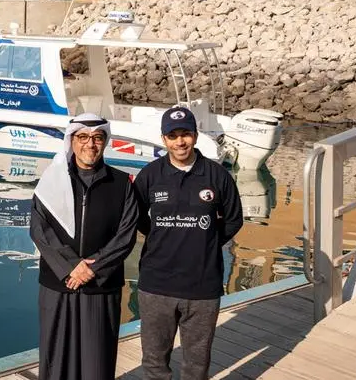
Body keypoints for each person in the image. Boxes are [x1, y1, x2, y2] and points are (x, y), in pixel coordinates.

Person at [134, 106, 244, 380]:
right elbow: (135, 216)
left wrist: (205, 240)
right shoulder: (150, 175)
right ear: (164, 140)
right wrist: (159, 236)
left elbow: (234, 219)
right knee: (154, 363)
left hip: (202, 287)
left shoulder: (217, 176)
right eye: (173, 136)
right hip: (156, 285)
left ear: (195, 136)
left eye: (185, 134)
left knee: (196, 366)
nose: (180, 141)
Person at [30, 113, 141, 380]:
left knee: (97, 362)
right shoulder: (51, 181)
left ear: (105, 141)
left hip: (101, 286)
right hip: (59, 284)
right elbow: (39, 229)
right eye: (82, 137)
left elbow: (126, 235)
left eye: (97, 138)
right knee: (56, 360)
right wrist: (70, 267)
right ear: (72, 140)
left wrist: (93, 268)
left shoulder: (122, 184)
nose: (90, 144)